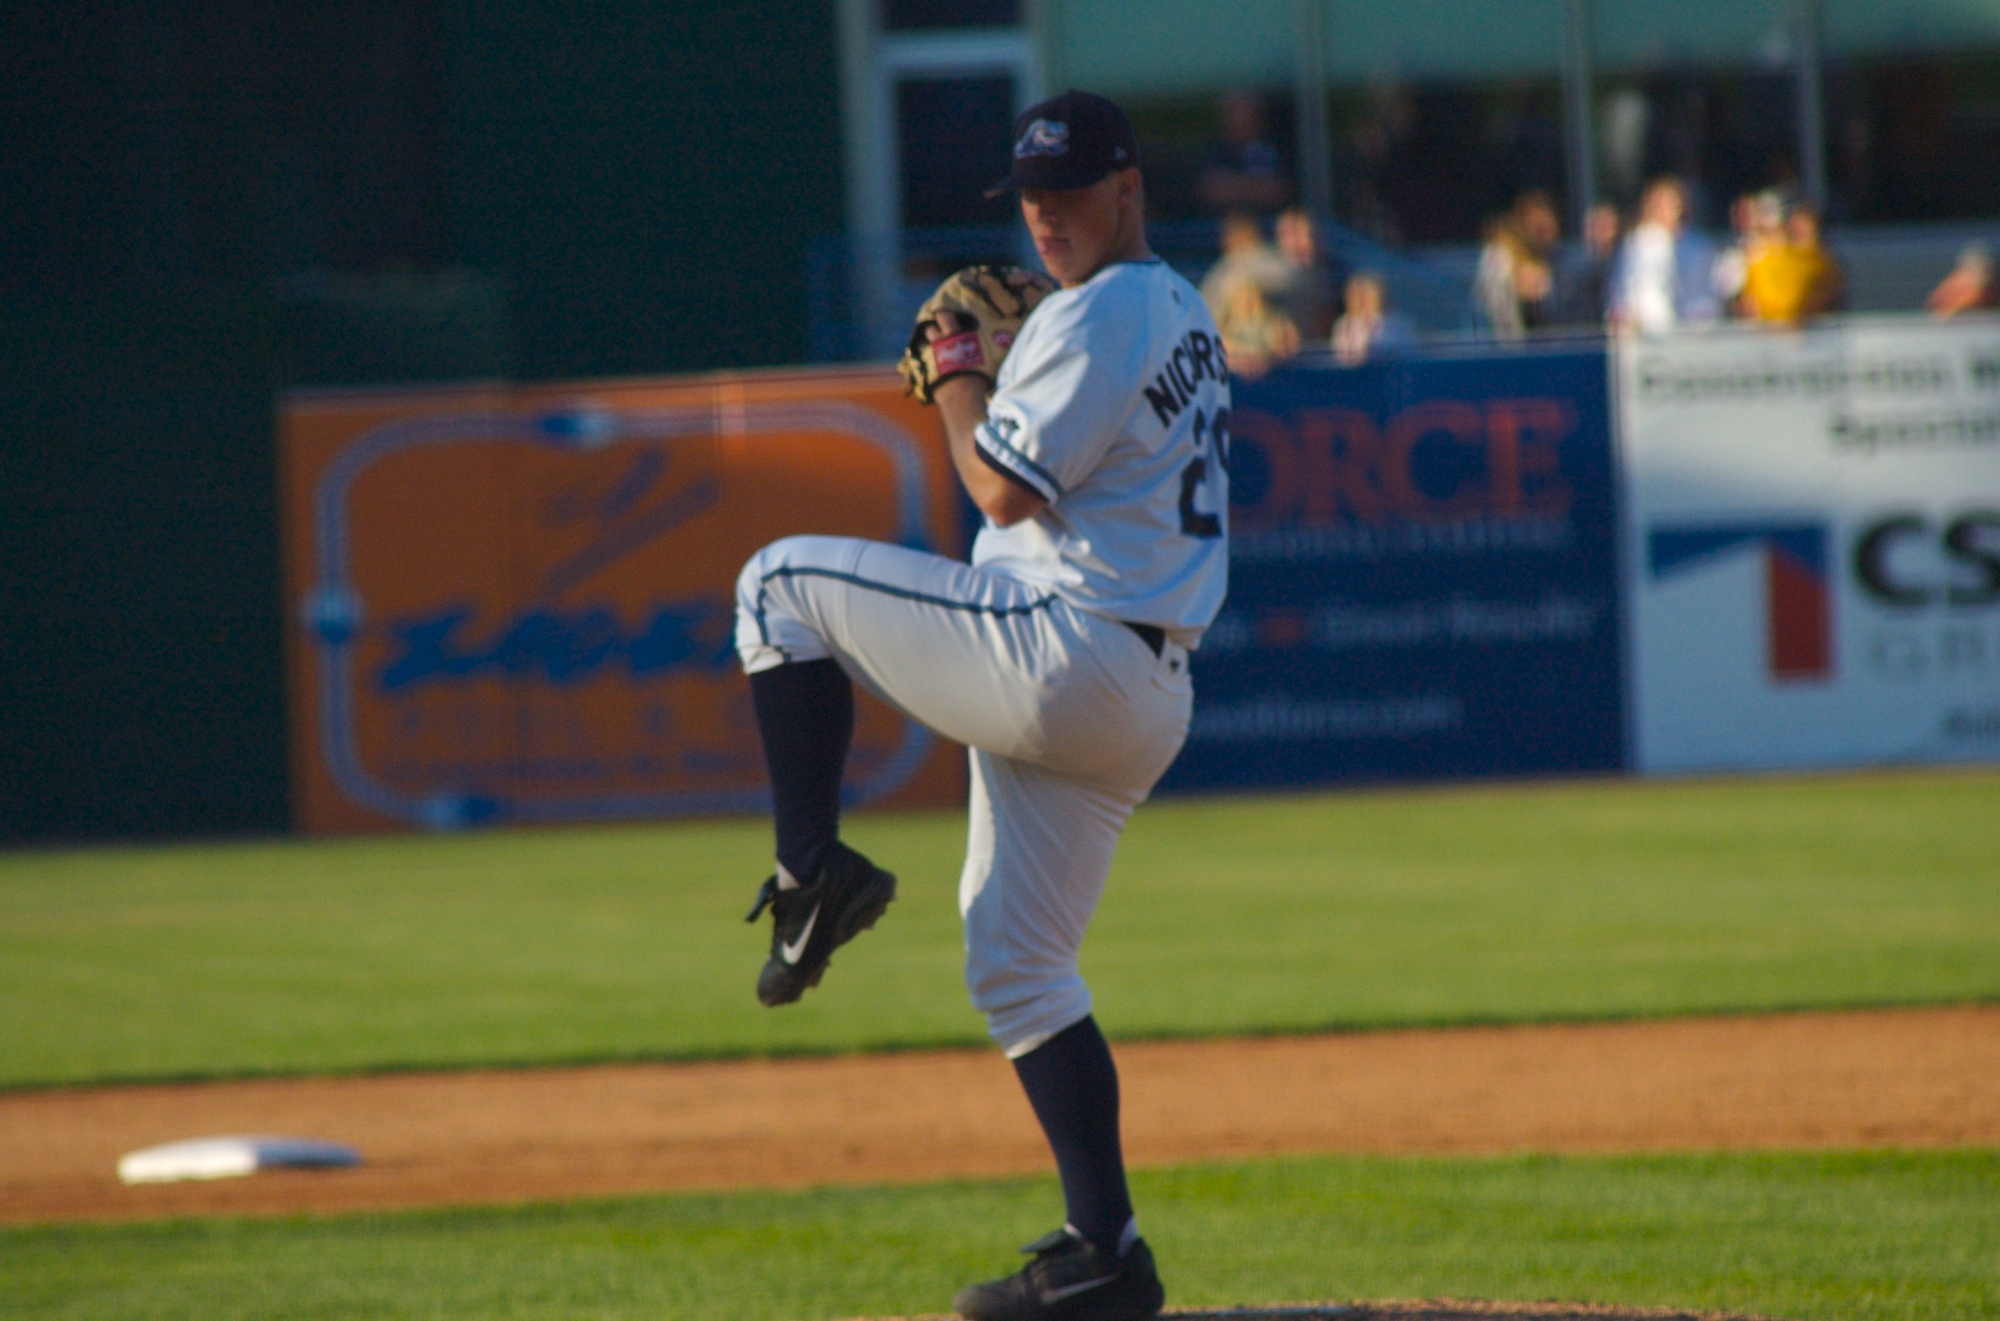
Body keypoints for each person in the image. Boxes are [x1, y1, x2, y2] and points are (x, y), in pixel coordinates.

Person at [734, 89, 1225, 1321]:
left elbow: (995, 492)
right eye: (1033, 199)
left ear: (1129, 186)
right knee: (1017, 963)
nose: (1048, 219)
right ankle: (1106, 1249)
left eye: (1071, 193)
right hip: (1138, 688)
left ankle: (810, 874)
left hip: (1065, 653)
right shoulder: (1174, 310)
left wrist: (954, 372)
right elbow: (1034, 498)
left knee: (773, 583)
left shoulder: (1103, 308)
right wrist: (997, 369)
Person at [1607, 176, 1720, 334]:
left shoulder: (1698, 246)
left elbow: (1707, 289)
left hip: (1694, 331)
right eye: (1657, 204)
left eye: (1670, 204)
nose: (1663, 210)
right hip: (1650, 332)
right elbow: (1624, 288)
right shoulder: (1638, 245)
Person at [1740, 201, 1844, 326]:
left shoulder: (1822, 264)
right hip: (1767, 332)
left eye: (1806, 228)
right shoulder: (1760, 259)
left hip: (1811, 332)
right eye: (1796, 227)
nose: (1801, 233)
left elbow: (1828, 300)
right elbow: (1748, 303)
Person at [1474, 190, 1559, 340]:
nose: (1541, 233)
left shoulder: (1553, 257)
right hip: (1503, 347)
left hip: (1546, 346)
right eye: (1536, 226)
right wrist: (1519, 288)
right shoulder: (1499, 254)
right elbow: (1493, 306)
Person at [1196, 90, 1292, 214]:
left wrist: (1231, 185)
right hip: (1223, 229)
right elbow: (1212, 190)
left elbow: (1276, 190)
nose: (1240, 117)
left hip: (1268, 227)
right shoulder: (1214, 150)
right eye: (1234, 110)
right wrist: (1257, 185)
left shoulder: (1276, 146)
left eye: (1246, 109)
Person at [1272, 205, 1342, 340]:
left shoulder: (1331, 274)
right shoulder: (1269, 276)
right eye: (1287, 234)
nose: (1294, 242)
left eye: (1298, 232)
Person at [1330, 270, 1417, 365]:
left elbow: (1404, 351)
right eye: (1358, 294)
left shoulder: (1398, 323)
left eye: (1367, 294)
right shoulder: (1345, 324)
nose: (1362, 299)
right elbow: (1341, 355)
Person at [1928, 242, 1999, 318]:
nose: (1987, 272)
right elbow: (1936, 312)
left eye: (1988, 269)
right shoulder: (1956, 289)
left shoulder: (1993, 289)